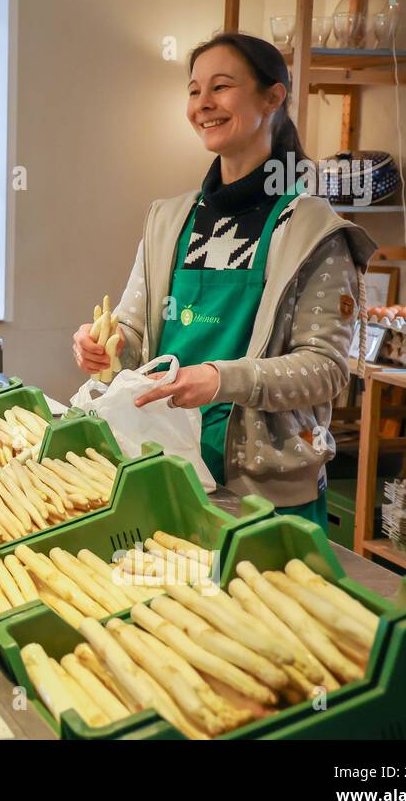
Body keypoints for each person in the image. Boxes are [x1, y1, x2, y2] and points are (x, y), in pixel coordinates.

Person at [72, 32, 376, 530]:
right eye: (194, 91)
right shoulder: (169, 219)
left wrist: (219, 380)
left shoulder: (312, 231)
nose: (203, 104)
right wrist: (104, 346)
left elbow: (325, 369)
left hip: (263, 490)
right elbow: (132, 330)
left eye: (221, 87)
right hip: (165, 461)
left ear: (273, 97)